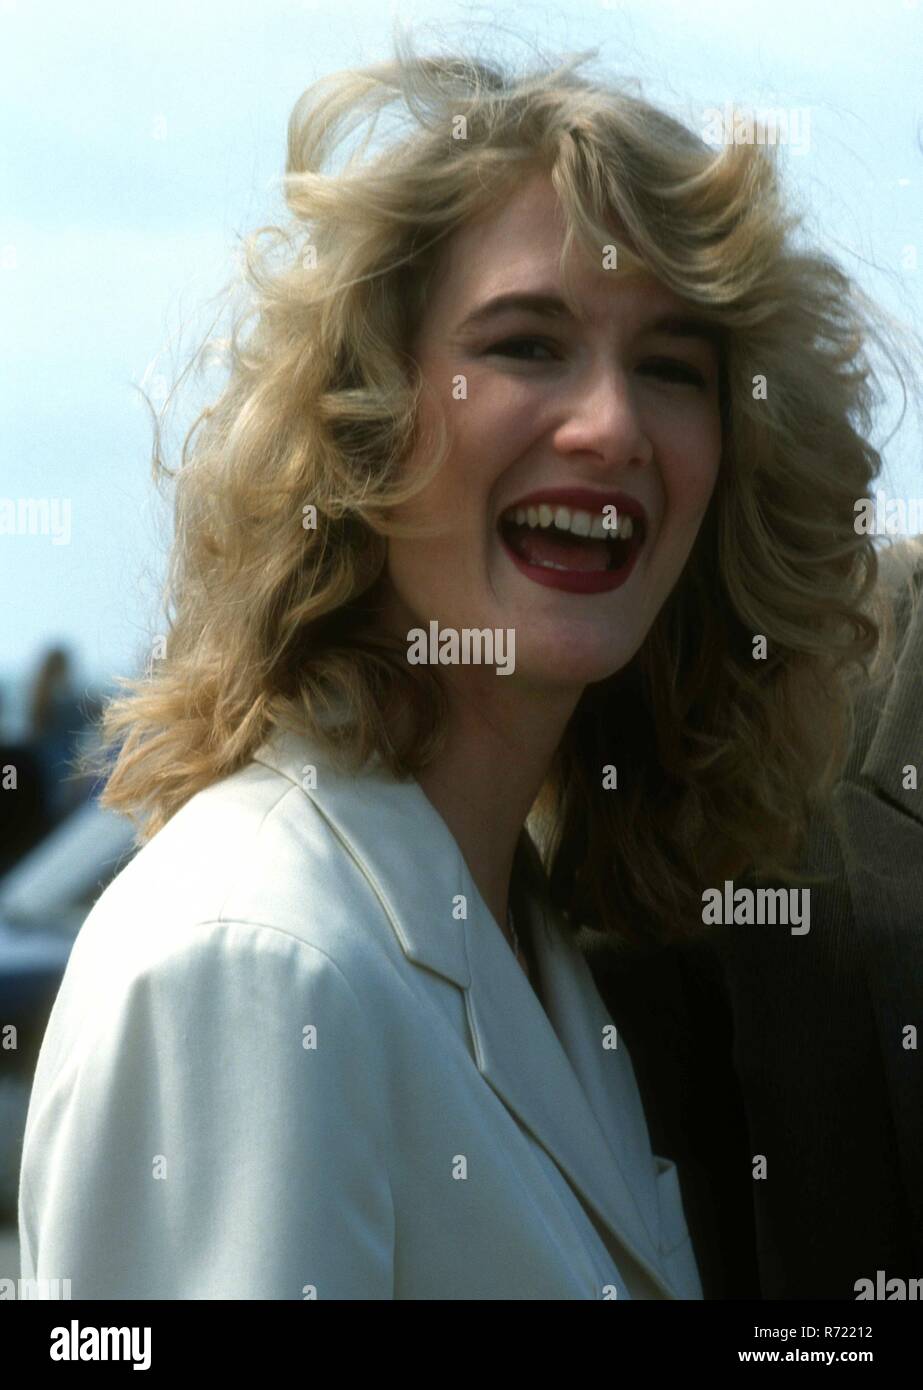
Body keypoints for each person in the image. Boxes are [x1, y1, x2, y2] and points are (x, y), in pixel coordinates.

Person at [17, 37, 919, 1300]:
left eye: (669, 369)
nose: (608, 424)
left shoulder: (533, 946)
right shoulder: (253, 960)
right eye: (524, 345)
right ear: (364, 425)